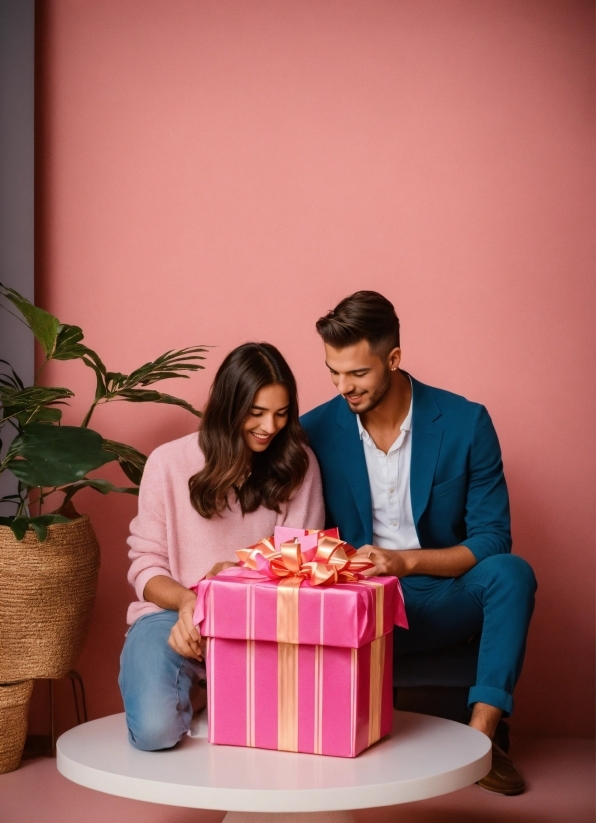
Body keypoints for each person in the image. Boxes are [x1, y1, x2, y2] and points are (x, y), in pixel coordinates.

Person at [300, 291, 536, 796]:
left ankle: (480, 743)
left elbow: (493, 538)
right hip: (361, 608)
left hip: (443, 594)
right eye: (333, 373)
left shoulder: (465, 422)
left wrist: (406, 561)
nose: (344, 388)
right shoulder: (315, 430)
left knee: (513, 574)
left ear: (393, 359)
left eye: (357, 374)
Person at [120, 342, 324, 751]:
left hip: (261, 624)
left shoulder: (298, 464)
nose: (270, 426)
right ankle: (195, 692)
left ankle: (213, 690)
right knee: (156, 732)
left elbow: (301, 565)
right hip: (171, 618)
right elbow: (145, 565)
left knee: (279, 734)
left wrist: (229, 582)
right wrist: (187, 603)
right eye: (257, 413)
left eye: (281, 414)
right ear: (229, 405)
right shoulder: (168, 462)